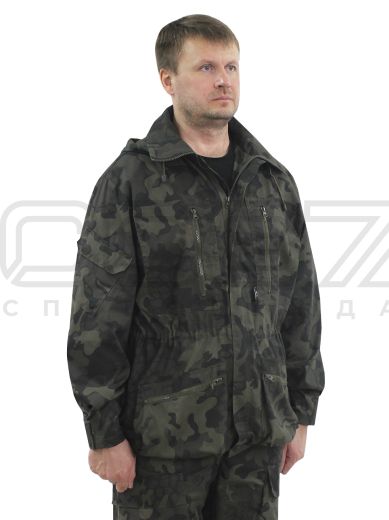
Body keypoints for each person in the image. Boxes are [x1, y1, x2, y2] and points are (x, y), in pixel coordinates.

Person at [67, 14, 325, 520]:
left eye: (231, 66)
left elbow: (301, 302)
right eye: (206, 67)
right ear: (168, 79)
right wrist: (104, 432)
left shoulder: (271, 181)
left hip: (256, 438)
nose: (223, 80)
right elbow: (97, 314)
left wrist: (299, 410)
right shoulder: (131, 181)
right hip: (162, 443)